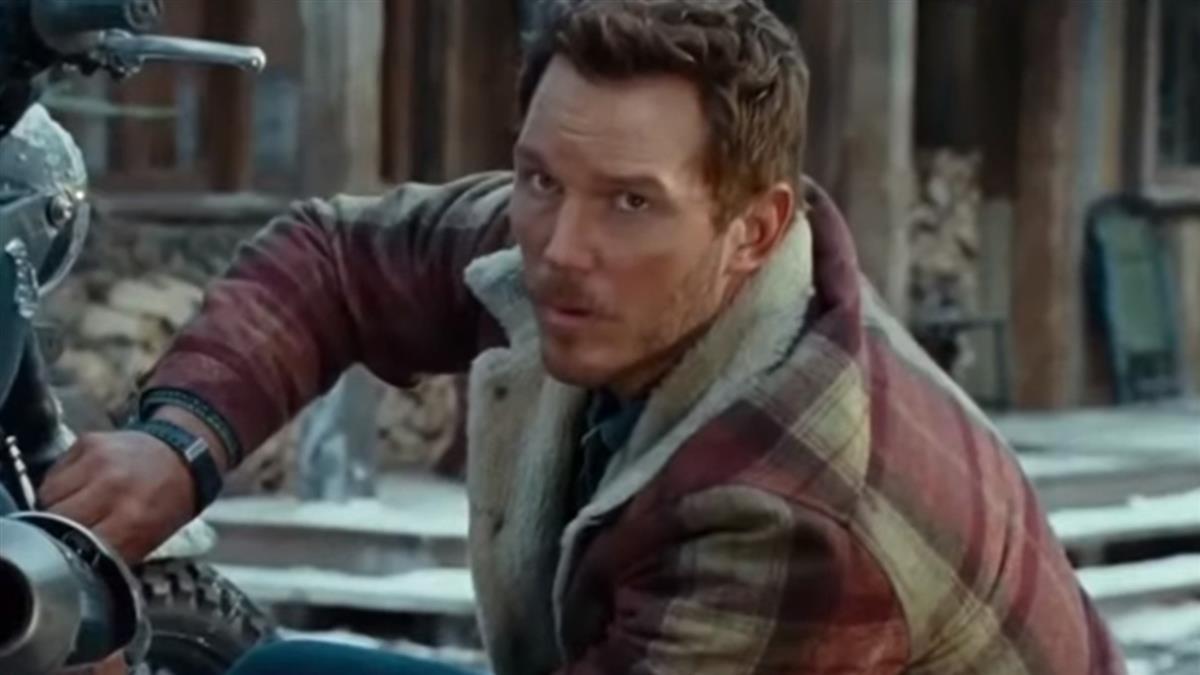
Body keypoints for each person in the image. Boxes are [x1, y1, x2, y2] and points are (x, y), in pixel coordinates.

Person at [40, 1, 1125, 673]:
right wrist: (179, 442)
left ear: (754, 230)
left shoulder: (789, 508)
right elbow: (335, 258)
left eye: (631, 203)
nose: (560, 249)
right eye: (539, 178)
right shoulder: (589, 249)